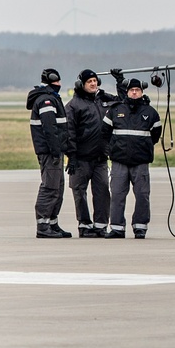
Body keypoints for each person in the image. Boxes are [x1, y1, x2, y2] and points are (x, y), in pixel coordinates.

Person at [101, 78, 162, 239]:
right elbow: (105, 132)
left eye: (137, 90)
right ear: (127, 92)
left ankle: (140, 227)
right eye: (131, 90)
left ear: (142, 92)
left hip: (140, 161)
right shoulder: (115, 110)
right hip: (119, 161)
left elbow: (155, 135)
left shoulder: (151, 113)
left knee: (142, 195)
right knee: (117, 195)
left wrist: (142, 147)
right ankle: (116, 228)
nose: (134, 92)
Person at [65, 69, 121, 237]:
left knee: (103, 191)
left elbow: (124, 103)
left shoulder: (104, 100)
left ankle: (100, 226)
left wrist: (120, 82)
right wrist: (72, 156)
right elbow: (69, 132)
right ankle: (84, 225)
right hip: (80, 159)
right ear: (81, 84)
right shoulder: (73, 106)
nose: (93, 83)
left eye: (95, 80)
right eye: (89, 81)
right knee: (79, 191)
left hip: (100, 158)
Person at [26, 68, 72, 238]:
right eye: (58, 81)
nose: (60, 84)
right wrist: (55, 151)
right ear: (53, 81)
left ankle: (52, 223)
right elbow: (50, 129)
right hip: (50, 152)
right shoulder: (46, 100)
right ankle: (43, 226)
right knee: (50, 187)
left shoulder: (52, 98)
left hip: (56, 151)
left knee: (58, 187)